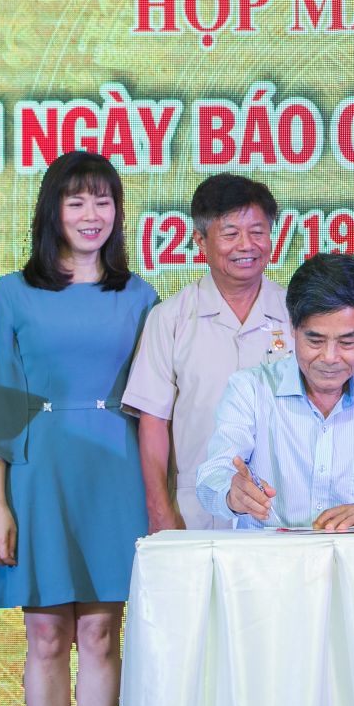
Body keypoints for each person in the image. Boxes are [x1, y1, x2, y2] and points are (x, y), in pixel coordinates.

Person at [0, 151, 158, 706]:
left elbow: (155, 404)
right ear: (52, 210)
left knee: (102, 635)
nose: (90, 214)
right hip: (37, 473)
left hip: (115, 473)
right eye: (76, 201)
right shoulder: (13, 293)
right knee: (46, 635)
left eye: (103, 200)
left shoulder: (139, 295)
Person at [196, 253, 354, 529]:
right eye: (315, 340)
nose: (330, 357)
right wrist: (232, 493)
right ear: (293, 328)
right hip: (271, 554)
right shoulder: (251, 389)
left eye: (347, 342)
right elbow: (212, 478)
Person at [122, 175, 290, 530]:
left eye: (258, 232)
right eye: (230, 234)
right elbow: (153, 422)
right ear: (200, 240)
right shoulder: (170, 318)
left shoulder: (297, 313)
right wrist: (160, 511)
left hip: (284, 506)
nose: (247, 245)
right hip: (197, 511)